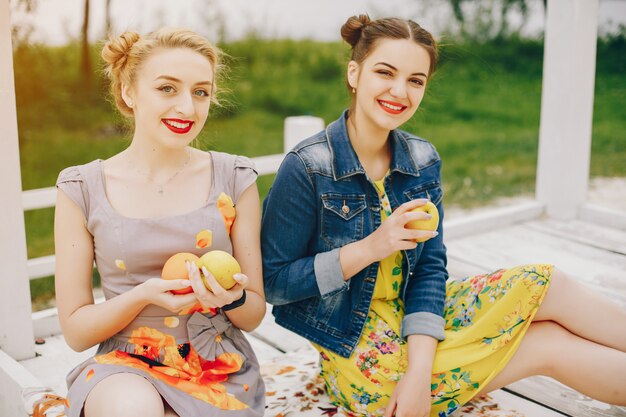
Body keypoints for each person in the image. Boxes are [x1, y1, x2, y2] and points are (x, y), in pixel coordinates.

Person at [260, 14, 626, 417]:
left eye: (416, 80)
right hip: (359, 352)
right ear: (354, 72)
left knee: (547, 283)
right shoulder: (308, 166)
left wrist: (419, 371)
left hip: (416, 323)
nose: (400, 91)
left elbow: (429, 270)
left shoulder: (420, 159)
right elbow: (274, 283)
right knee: (548, 344)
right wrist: (371, 247)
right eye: (386, 72)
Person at [51, 28, 266, 417]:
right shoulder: (81, 187)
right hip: (127, 366)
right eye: (167, 88)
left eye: (200, 92)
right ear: (128, 92)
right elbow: (76, 331)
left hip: (216, 369)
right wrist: (143, 294)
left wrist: (230, 297)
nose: (187, 107)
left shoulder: (235, 178)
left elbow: (252, 314)